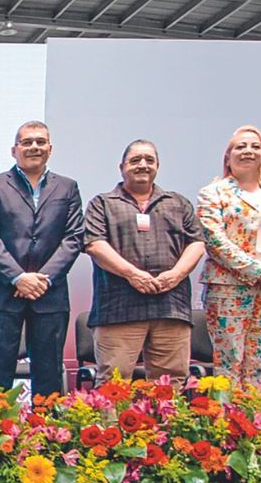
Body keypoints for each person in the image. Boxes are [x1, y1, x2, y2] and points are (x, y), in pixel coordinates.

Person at [84, 140, 205, 387]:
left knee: (171, 385)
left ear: (157, 166)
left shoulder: (178, 203)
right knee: (113, 386)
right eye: (135, 160)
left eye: (149, 160)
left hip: (171, 306)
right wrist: (132, 274)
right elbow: (94, 244)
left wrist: (176, 274)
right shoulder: (103, 203)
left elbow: (197, 243)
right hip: (119, 309)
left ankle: (168, 428)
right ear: (121, 167)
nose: (143, 165)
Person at [0, 121, 83, 396]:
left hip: (50, 294)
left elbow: (73, 238)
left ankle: (45, 436)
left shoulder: (68, 188)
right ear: (14, 150)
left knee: (48, 378)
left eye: (40, 141)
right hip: (2, 293)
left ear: (50, 148)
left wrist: (43, 279)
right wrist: (19, 277)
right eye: (27, 142)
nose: (34, 147)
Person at [196, 125, 261, 389]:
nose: (248, 151)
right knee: (229, 363)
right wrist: (256, 270)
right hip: (228, 286)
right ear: (228, 156)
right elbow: (214, 239)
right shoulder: (213, 192)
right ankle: (227, 426)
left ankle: (258, 426)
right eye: (241, 146)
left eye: (255, 146)